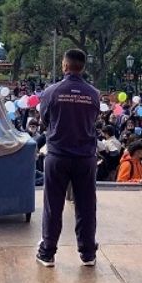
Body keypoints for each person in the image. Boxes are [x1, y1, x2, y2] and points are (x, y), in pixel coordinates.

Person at [37, 49, 100, 268]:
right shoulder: (94, 93)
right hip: (85, 156)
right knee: (86, 205)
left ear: (64, 66)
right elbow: (94, 119)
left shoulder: (52, 92)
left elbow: (45, 119)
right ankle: (88, 253)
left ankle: (48, 252)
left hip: (58, 154)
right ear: (83, 67)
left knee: (53, 205)